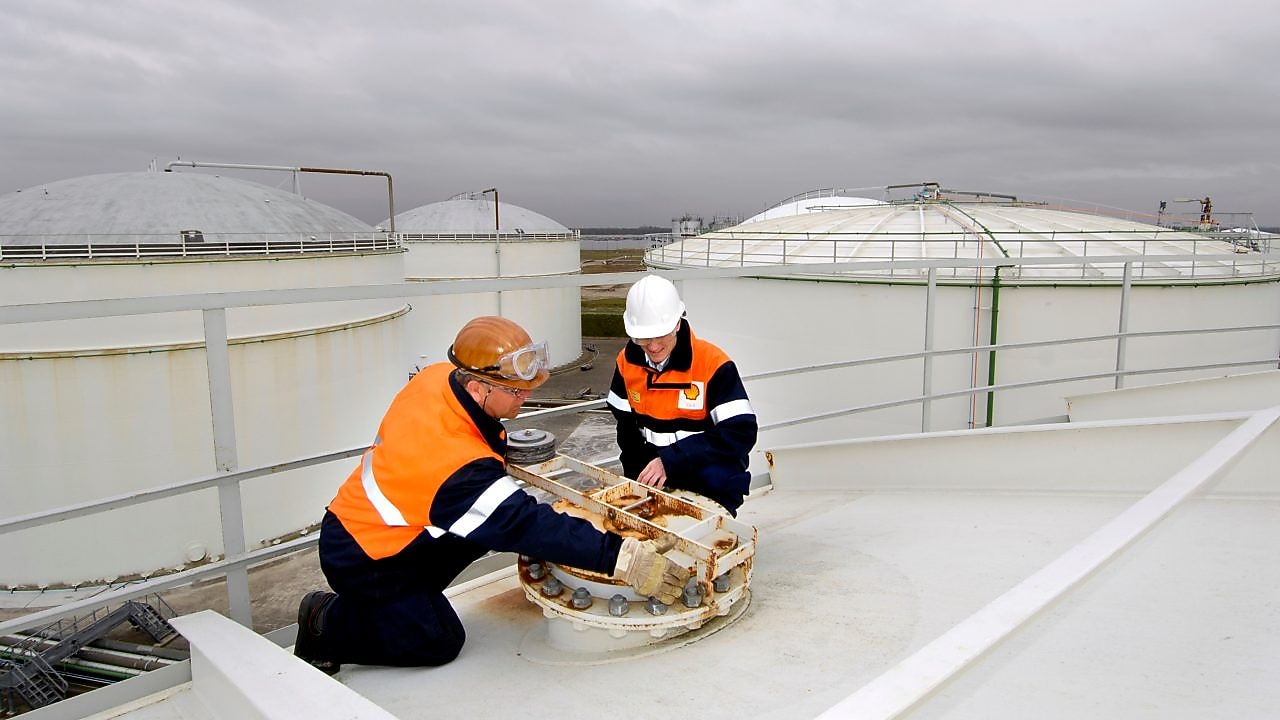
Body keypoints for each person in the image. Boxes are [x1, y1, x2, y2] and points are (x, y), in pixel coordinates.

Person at [294, 316, 690, 674]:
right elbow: (520, 519)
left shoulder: (438, 378)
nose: (525, 397)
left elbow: (477, 459)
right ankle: (324, 619)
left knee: (491, 529)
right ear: (479, 387)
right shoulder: (452, 465)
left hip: (376, 524)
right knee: (439, 640)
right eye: (516, 392)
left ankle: (402, 602)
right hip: (366, 558)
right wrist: (622, 557)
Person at [607, 275, 758, 516]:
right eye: (644, 338)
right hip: (656, 471)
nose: (653, 346)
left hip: (708, 473)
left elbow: (741, 433)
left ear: (678, 324)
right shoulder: (626, 362)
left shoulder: (713, 364)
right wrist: (637, 481)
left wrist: (670, 461)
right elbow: (626, 428)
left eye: (660, 335)